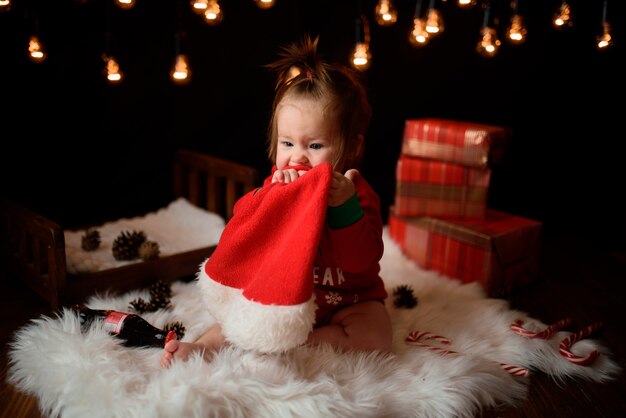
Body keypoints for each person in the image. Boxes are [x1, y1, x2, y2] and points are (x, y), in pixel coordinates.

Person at [161, 36, 392, 368]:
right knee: (237, 321)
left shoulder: (356, 192)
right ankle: (202, 349)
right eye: (287, 143)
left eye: (314, 146)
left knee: (376, 336)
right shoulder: (278, 183)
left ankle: (302, 343)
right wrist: (267, 198)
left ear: (352, 147)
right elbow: (245, 232)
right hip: (284, 298)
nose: (297, 156)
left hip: (349, 301)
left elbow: (359, 261)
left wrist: (344, 207)